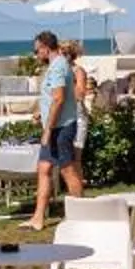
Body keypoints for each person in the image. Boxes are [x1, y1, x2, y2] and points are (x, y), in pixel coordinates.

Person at [31, 29, 82, 227]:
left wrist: (48, 129)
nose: (36, 55)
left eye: (37, 51)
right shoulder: (55, 65)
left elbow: (59, 99)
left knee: (67, 170)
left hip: (60, 128)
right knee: (43, 168)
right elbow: (52, 98)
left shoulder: (59, 66)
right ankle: (38, 218)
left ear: (45, 48)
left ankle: (81, 216)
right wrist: (41, 115)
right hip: (53, 126)